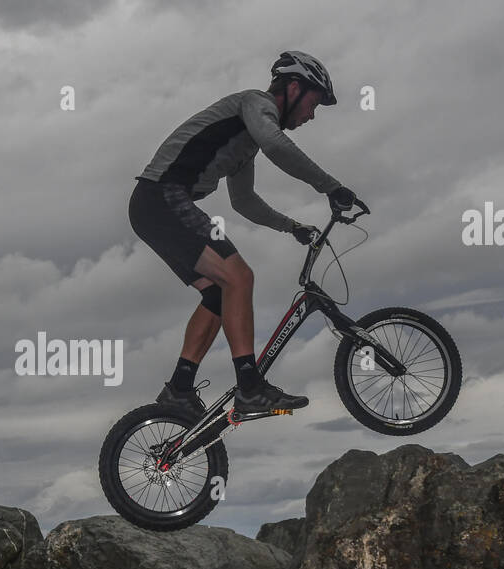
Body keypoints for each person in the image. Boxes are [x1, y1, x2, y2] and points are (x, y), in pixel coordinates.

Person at [129, 50, 358, 414]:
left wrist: (292, 226)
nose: (312, 115)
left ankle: (180, 389)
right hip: (161, 198)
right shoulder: (256, 103)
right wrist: (331, 187)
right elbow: (277, 146)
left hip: (154, 207)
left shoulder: (246, 138)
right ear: (294, 88)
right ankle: (250, 387)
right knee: (240, 277)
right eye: (313, 104)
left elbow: (244, 201)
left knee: (222, 294)